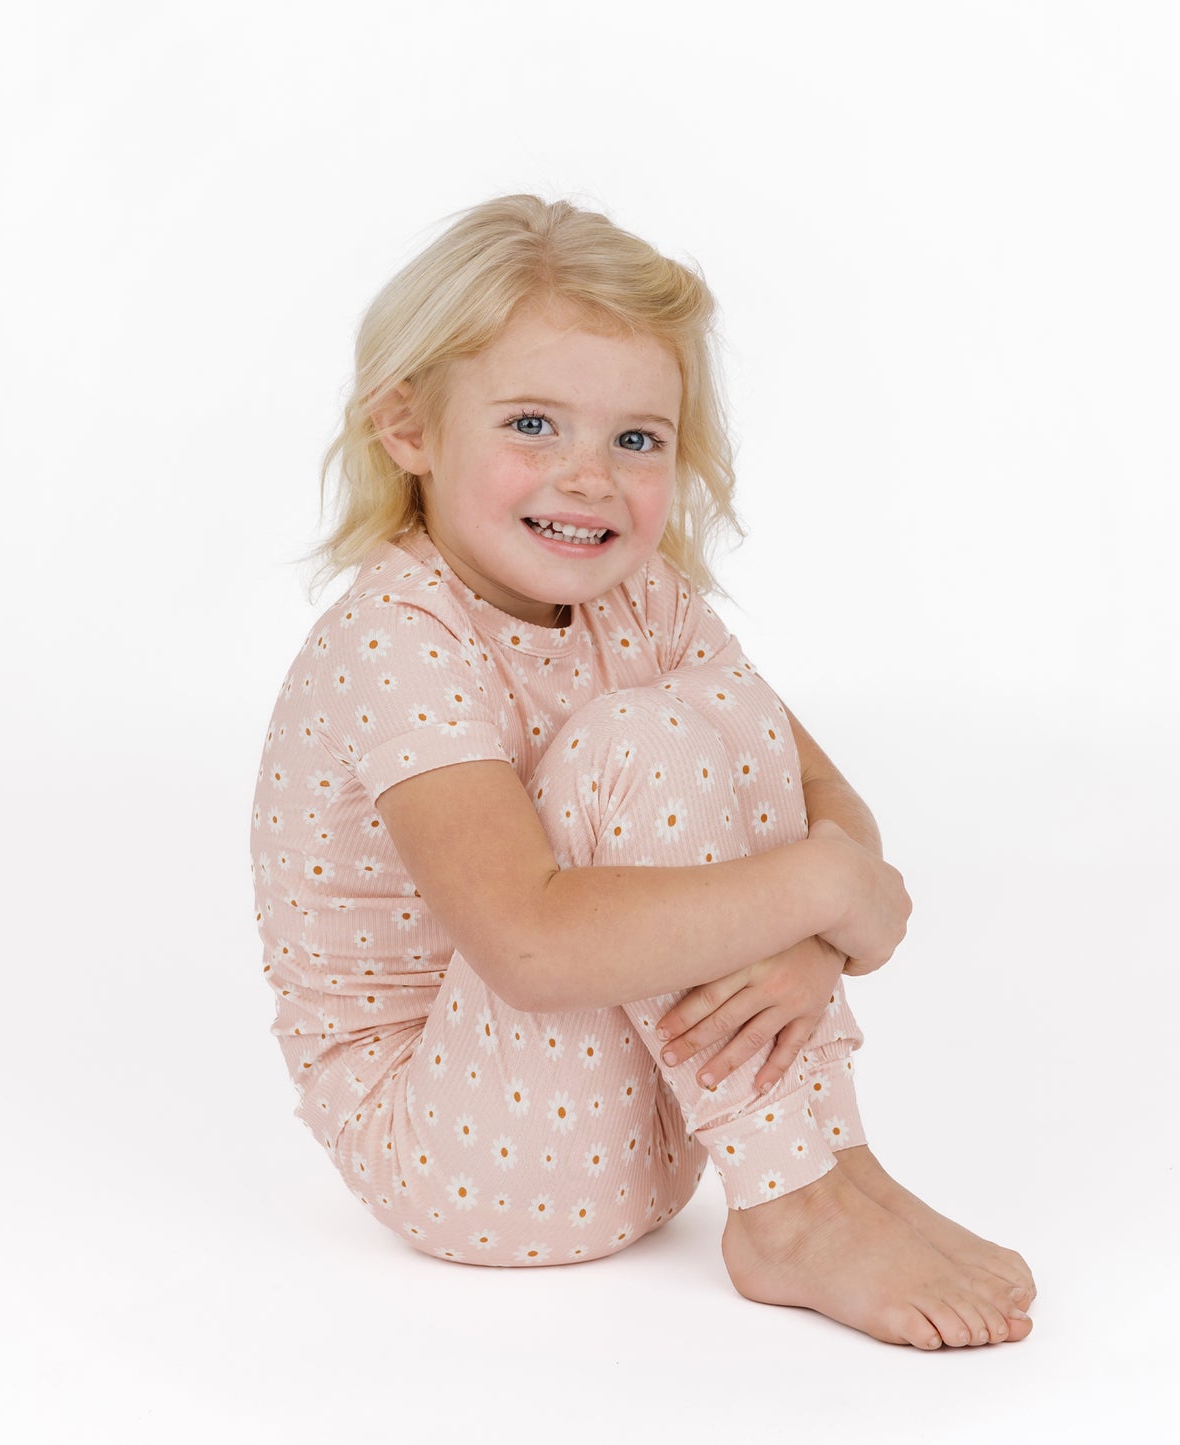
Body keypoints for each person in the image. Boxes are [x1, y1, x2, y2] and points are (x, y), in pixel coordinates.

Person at [248, 194, 1035, 1348]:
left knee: (718, 712)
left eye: (635, 438)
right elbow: (532, 941)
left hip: (658, 1120)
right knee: (644, 743)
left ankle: (832, 1172)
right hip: (460, 1151)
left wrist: (818, 934)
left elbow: (826, 801)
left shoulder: (641, 595)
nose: (589, 477)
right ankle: (790, 1208)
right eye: (531, 424)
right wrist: (830, 892)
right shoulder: (398, 639)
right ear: (407, 429)